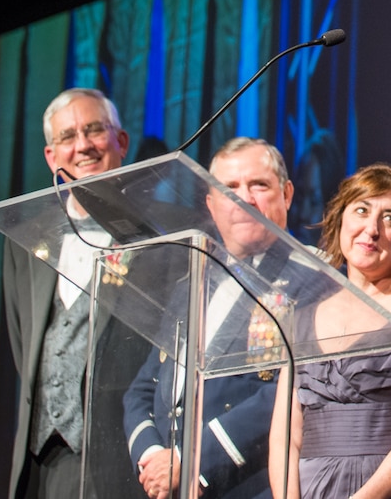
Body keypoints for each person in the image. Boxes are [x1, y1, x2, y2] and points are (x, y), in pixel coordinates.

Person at [269, 163, 391, 499]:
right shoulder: (300, 316)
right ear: (341, 220)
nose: (371, 228)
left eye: (390, 219)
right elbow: (286, 434)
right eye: (361, 210)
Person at [123, 137, 297, 499]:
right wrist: (154, 456)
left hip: (250, 487)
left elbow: (289, 393)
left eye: (259, 185)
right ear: (212, 204)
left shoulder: (308, 283)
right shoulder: (192, 283)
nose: (243, 199)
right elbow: (143, 388)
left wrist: (191, 461)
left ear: (287, 194)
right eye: (228, 188)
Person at [3, 87, 142, 498]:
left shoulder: (157, 237)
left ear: (121, 142)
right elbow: (23, 341)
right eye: (67, 136)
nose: (82, 145)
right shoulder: (26, 242)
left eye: (95, 130)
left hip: (120, 463)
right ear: (51, 156)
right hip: (44, 460)